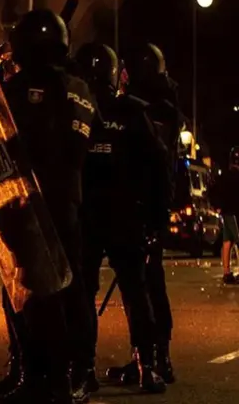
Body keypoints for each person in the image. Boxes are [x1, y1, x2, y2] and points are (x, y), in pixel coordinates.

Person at [0, 9, 97, 404]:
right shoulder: (80, 88)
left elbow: (6, 135)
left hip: (32, 201)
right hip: (67, 200)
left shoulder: (29, 88)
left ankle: (43, 377)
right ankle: (71, 372)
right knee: (70, 289)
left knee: (35, 294)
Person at [73, 42, 168, 399]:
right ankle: (147, 365)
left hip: (91, 216)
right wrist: (156, 219)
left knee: (85, 293)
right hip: (123, 216)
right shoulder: (130, 111)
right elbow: (158, 167)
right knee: (134, 292)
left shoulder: (77, 107)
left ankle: (84, 370)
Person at [107, 43, 182, 385]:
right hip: (149, 205)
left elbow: (154, 165)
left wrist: (153, 214)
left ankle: (154, 359)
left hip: (144, 207)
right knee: (147, 283)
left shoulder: (150, 111)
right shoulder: (161, 106)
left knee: (146, 284)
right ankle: (152, 358)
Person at [210, 147, 239, 284]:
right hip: (234, 212)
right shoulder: (236, 176)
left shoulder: (224, 176)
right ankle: (229, 272)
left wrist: (217, 206)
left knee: (227, 241)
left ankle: (226, 271)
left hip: (226, 212)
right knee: (237, 240)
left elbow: (213, 189)